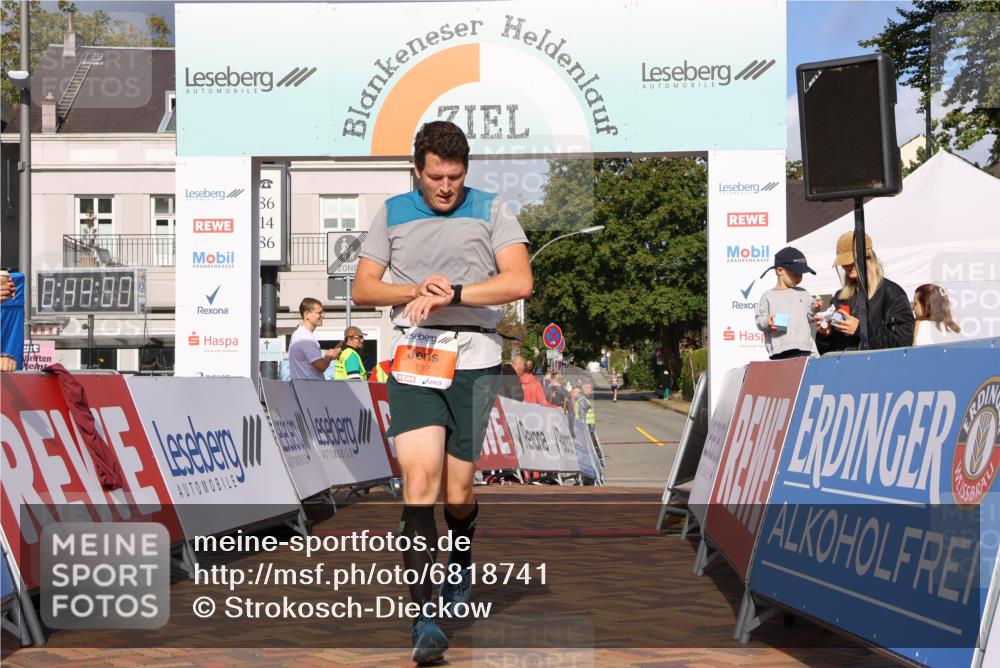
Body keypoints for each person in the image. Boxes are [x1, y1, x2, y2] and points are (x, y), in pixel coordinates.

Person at [352, 120, 532, 664]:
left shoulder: (493, 209)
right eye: (435, 177)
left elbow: (519, 281)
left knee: (457, 494)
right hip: (417, 357)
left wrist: (453, 291)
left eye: (454, 177)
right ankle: (424, 617)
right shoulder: (392, 212)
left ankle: (460, 557)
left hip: (477, 360)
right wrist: (416, 289)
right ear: (417, 170)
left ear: (466, 172)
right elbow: (363, 289)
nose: (446, 187)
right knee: (420, 481)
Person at [816, 232, 914, 353]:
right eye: (844, 262)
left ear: (868, 258)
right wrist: (824, 336)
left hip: (878, 369)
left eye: (853, 260)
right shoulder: (839, 297)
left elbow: (903, 342)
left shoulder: (892, 293)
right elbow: (828, 352)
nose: (847, 265)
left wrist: (861, 330)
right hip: (846, 369)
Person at [755, 246, 822, 360]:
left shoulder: (804, 293)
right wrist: (768, 322)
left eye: (801, 274)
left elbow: (809, 318)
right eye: (795, 273)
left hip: (805, 349)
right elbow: (760, 319)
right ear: (780, 270)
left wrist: (814, 309)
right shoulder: (768, 296)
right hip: (779, 351)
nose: (799, 277)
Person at [287, 298, 340, 380]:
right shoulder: (305, 337)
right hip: (310, 389)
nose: (323, 316)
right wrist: (329, 356)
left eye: (322, 312)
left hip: (306, 388)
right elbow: (321, 366)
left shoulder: (300, 334)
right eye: (319, 313)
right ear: (307, 314)